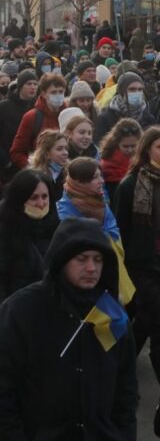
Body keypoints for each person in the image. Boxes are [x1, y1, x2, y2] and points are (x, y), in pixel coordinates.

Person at [0, 218, 138, 439]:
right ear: (61, 260)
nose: (91, 268)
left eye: (98, 259)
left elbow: (126, 390)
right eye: (82, 259)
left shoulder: (112, 314)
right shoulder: (20, 312)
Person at [0, 169, 58, 323]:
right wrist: (4, 319)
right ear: (20, 200)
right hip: (15, 318)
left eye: (45, 197)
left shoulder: (58, 230)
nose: (41, 203)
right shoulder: (2, 233)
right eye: (34, 198)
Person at [114, 126, 160, 383]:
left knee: (143, 320)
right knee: (156, 321)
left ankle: (118, 366)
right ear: (147, 150)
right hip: (142, 265)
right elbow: (120, 228)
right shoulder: (131, 184)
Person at [9, 73, 66, 169]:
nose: (58, 95)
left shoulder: (69, 114)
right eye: (53, 92)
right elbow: (17, 152)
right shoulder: (32, 117)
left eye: (61, 92)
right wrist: (35, 168)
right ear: (43, 94)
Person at [57, 156, 120, 239]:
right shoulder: (63, 213)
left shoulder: (98, 201)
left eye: (100, 175)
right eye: (95, 177)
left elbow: (114, 230)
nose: (102, 181)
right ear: (79, 182)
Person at [96, 71, 156, 142]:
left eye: (140, 89)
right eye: (132, 89)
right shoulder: (105, 118)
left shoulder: (148, 118)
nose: (137, 93)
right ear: (121, 92)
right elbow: (100, 144)